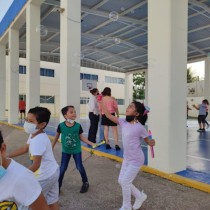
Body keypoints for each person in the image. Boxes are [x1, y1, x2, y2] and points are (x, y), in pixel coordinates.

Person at [100, 100, 155, 210]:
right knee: (121, 181)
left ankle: (126, 206)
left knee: (125, 182)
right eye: (128, 106)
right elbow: (108, 115)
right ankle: (140, 196)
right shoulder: (123, 122)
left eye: (131, 107)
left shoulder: (140, 127)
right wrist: (101, 102)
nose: (127, 108)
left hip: (136, 159)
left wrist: (151, 142)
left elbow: (148, 141)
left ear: (137, 114)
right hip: (127, 158)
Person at [8, 107, 60, 210]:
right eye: (27, 119)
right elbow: (25, 148)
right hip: (53, 171)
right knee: (52, 201)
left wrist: (20, 176)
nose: (27, 122)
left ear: (42, 124)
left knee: (31, 202)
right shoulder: (35, 133)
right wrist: (6, 156)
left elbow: (36, 165)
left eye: (31, 121)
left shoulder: (38, 141)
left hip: (45, 176)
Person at [0, 130, 50, 210]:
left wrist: (27, 174)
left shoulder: (22, 179)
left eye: (31, 120)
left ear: (2, 149)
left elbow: (36, 163)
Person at [52, 105, 95, 193]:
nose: (74, 113)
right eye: (71, 112)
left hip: (76, 151)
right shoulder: (61, 126)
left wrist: (91, 143)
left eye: (74, 112)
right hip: (65, 151)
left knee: (79, 166)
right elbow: (56, 137)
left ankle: (85, 182)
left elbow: (81, 137)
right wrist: (51, 147)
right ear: (65, 116)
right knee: (63, 168)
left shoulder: (78, 126)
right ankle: (58, 186)